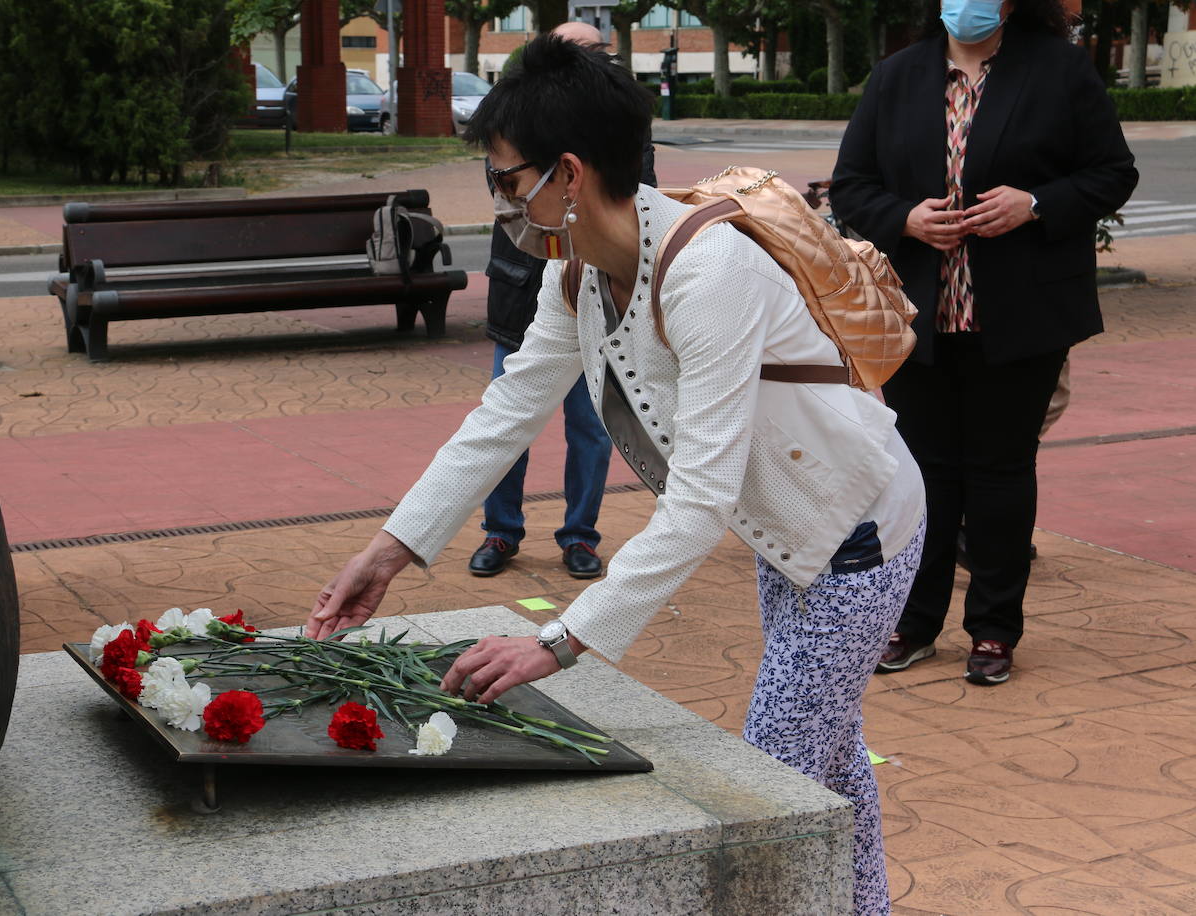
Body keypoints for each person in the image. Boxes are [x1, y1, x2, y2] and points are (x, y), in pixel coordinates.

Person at [308, 35, 925, 913]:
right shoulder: (578, 276)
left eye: (506, 181)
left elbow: (699, 503)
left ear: (567, 173)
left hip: (857, 533)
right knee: (826, 763)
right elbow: (504, 416)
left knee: (769, 793)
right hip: (791, 528)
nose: (501, 203)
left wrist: (557, 641)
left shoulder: (709, 271)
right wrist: (389, 551)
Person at [830, 0, 1137, 685]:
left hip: (1023, 313)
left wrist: (1036, 204)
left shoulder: (1059, 70)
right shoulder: (897, 76)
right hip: (917, 315)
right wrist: (904, 218)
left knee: (1000, 473)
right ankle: (913, 622)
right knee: (922, 473)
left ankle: (995, 630)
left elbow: (1113, 172)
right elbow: (852, 185)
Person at [470, 20, 657, 581]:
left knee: (592, 429)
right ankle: (499, 531)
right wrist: (398, 543)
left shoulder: (625, 129)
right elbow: (510, 193)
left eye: (595, 54)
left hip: (592, 296)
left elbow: (632, 200)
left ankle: (580, 535)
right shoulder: (516, 122)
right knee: (507, 422)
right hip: (521, 295)